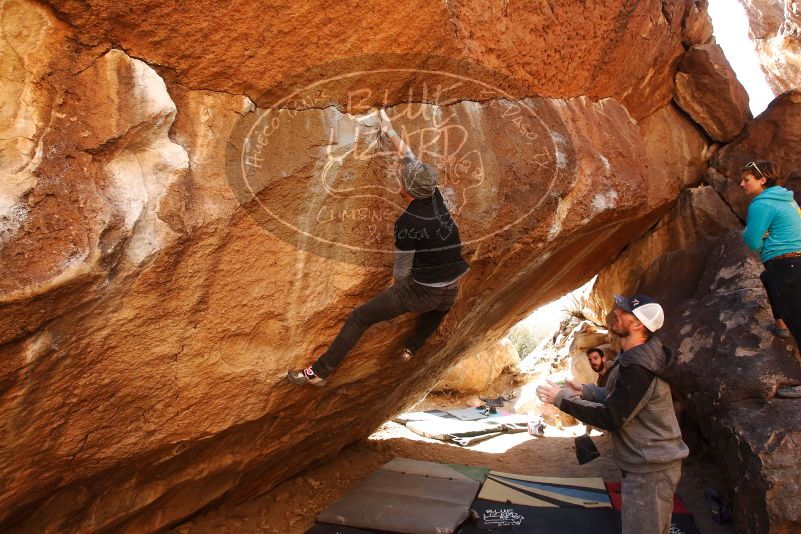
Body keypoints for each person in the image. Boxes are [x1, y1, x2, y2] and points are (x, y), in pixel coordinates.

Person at [287, 109, 470, 386]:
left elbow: (402, 272)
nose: (398, 175)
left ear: (406, 191)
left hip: (424, 292)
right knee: (442, 307)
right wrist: (390, 131)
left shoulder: (408, 222)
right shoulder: (434, 195)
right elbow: (410, 159)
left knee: (360, 317)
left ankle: (319, 372)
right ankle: (412, 347)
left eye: (400, 178)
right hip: (454, 281)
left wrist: (393, 290)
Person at [537, 295, 689, 534]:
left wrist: (561, 399)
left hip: (651, 470)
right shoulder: (635, 355)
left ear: (639, 325)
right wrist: (585, 391)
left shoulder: (639, 366)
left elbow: (612, 417)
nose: (616, 311)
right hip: (649, 463)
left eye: (625, 311)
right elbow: (624, 398)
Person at [740, 160, 801, 398]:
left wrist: (764, 239)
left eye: (747, 179)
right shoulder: (787, 199)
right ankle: (781, 325)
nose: (741, 184)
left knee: (799, 321)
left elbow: (752, 240)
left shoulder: (762, 203)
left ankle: (788, 326)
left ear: (762, 180)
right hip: (796, 260)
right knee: (767, 277)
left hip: (785, 264)